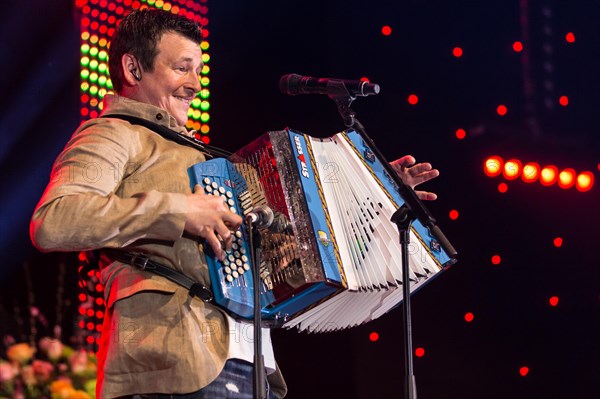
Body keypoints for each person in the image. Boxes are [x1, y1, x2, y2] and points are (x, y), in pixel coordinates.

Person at [30, 8, 439, 399]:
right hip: (170, 360)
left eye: (198, 70)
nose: (194, 83)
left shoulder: (218, 162)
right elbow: (54, 221)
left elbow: (292, 272)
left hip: (251, 363)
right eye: (181, 67)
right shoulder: (114, 134)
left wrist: (374, 206)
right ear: (133, 69)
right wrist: (177, 210)